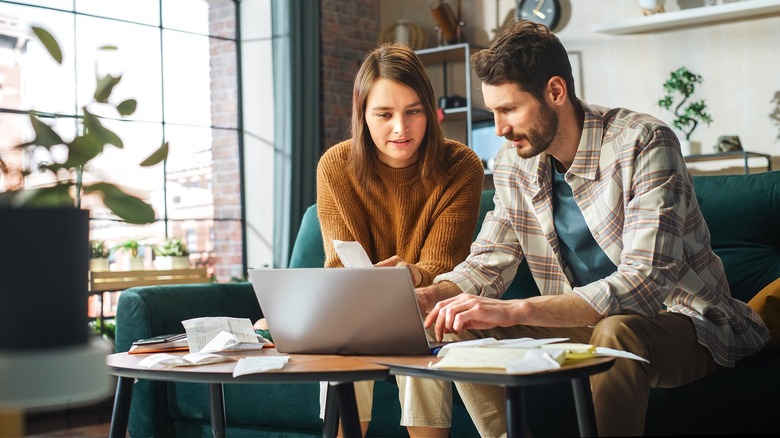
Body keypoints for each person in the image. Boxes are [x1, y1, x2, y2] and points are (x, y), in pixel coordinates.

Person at [417, 20, 770, 437]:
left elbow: (644, 285)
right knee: (455, 323)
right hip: (583, 324)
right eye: (493, 112)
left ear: (555, 91)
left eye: (509, 109)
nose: (499, 129)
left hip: (683, 321)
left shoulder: (644, 142)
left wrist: (517, 308)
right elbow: (487, 264)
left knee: (616, 330)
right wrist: (428, 297)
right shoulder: (514, 165)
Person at [316, 42, 484, 437]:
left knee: (423, 322)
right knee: (342, 330)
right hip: (354, 308)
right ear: (362, 115)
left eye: (413, 112)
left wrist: (412, 276)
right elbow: (341, 268)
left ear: (430, 110)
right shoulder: (336, 166)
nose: (400, 128)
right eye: (384, 114)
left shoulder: (461, 165)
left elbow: (444, 269)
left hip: (426, 305)